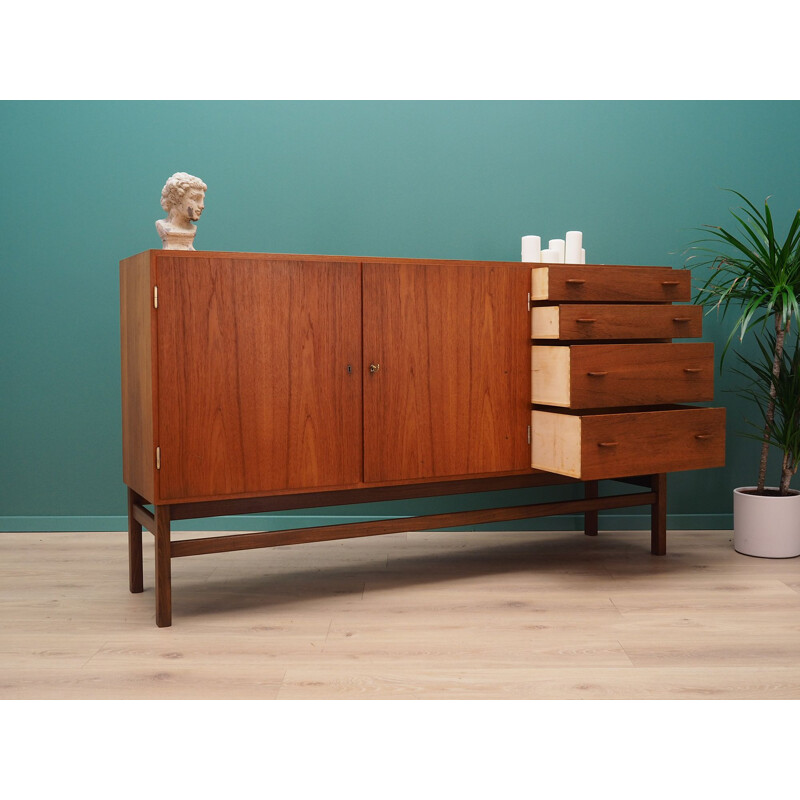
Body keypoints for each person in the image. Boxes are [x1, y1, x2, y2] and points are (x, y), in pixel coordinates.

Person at [156, 172, 207, 250]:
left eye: (202, 200)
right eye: (195, 199)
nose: (202, 206)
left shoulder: (192, 229)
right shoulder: (162, 226)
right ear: (174, 198)